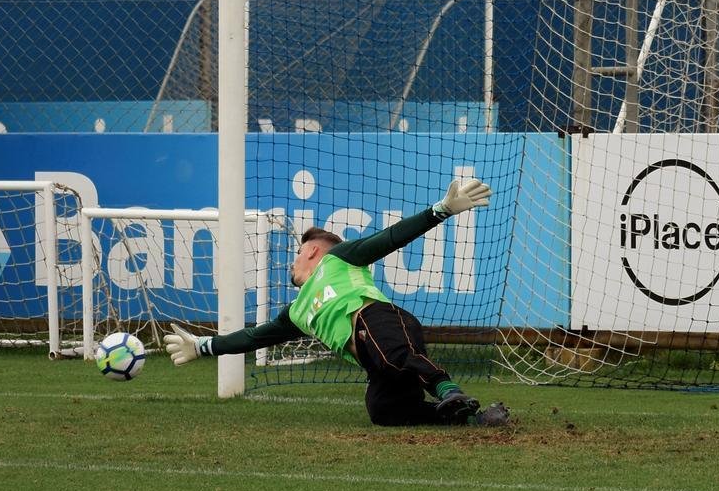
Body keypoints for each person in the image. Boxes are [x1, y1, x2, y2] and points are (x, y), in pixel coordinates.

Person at [163, 178, 510, 428]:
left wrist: (441, 210)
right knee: (383, 411)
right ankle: (471, 420)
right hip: (374, 359)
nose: (293, 261)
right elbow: (254, 338)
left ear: (312, 250)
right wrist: (203, 346)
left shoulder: (339, 259)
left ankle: (451, 390)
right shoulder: (297, 313)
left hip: (381, 321)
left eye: (298, 252)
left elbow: (390, 238)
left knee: (389, 350)